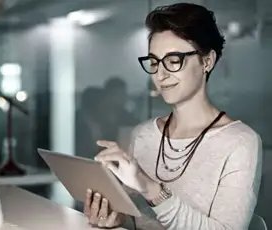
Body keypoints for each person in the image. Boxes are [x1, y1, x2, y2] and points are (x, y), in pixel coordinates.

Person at [83, 3, 262, 230]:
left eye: (174, 60)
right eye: (155, 62)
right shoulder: (144, 134)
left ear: (207, 61)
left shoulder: (240, 142)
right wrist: (115, 218)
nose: (161, 74)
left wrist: (150, 187)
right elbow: (139, 220)